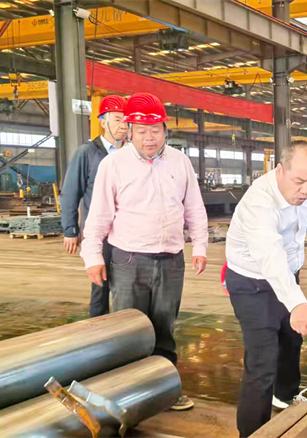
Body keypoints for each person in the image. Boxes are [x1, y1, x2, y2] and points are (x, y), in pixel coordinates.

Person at [80, 92, 209, 411]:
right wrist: (93, 257)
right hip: (128, 260)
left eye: (155, 130)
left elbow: (194, 208)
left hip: (171, 260)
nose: (149, 138)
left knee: (164, 327)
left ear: (165, 130)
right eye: (141, 131)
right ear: (130, 130)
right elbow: (98, 216)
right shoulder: (113, 164)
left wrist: (200, 245)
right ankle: (125, 396)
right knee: (128, 330)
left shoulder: (180, 162)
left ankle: (166, 391)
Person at [223, 141, 307, 437]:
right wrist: (297, 302)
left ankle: (285, 395)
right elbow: (270, 256)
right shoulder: (260, 202)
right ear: (279, 170)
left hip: (286, 276)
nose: (305, 191)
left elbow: (292, 243)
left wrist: (294, 292)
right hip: (252, 284)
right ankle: (252, 432)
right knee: (262, 361)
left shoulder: (301, 192)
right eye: (299, 181)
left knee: (291, 340)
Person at [60, 94, 128, 317]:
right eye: (117, 119)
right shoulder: (87, 153)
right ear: (103, 121)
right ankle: (99, 328)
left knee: (128, 287)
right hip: (101, 233)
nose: (123, 125)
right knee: (101, 285)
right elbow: (71, 192)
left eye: (126, 120)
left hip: (128, 233)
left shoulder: (132, 155)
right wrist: (70, 229)